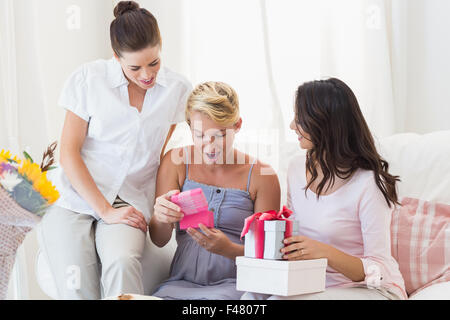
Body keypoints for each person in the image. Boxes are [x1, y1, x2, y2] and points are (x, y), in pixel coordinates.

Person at [39, 1, 192, 299]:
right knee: (76, 281)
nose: (147, 75)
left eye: (154, 63)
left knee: (123, 262)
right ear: (115, 57)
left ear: (161, 48)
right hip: (74, 195)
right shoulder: (89, 79)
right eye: (135, 67)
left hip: (130, 199)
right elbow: (69, 152)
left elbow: (158, 152)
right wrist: (104, 211)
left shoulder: (177, 89)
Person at [242, 78, 407, 300]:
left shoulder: (369, 184)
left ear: (324, 122)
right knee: (249, 298)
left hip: (368, 289)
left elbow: (379, 269)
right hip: (310, 282)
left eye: (299, 119)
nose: (292, 126)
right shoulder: (296, 168)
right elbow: (295, 234)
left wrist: (325, 252)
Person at [149, 82, 281, 300]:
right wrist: (161, 216)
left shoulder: (262, 175)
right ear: (190, 127)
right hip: (180, 284)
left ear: (237, 125)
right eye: (200, 135)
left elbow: (269, 255)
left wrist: (229, 249)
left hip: (237, 287)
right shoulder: (175, 161)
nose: (210, 146)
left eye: (219, 135)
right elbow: (159, 239)